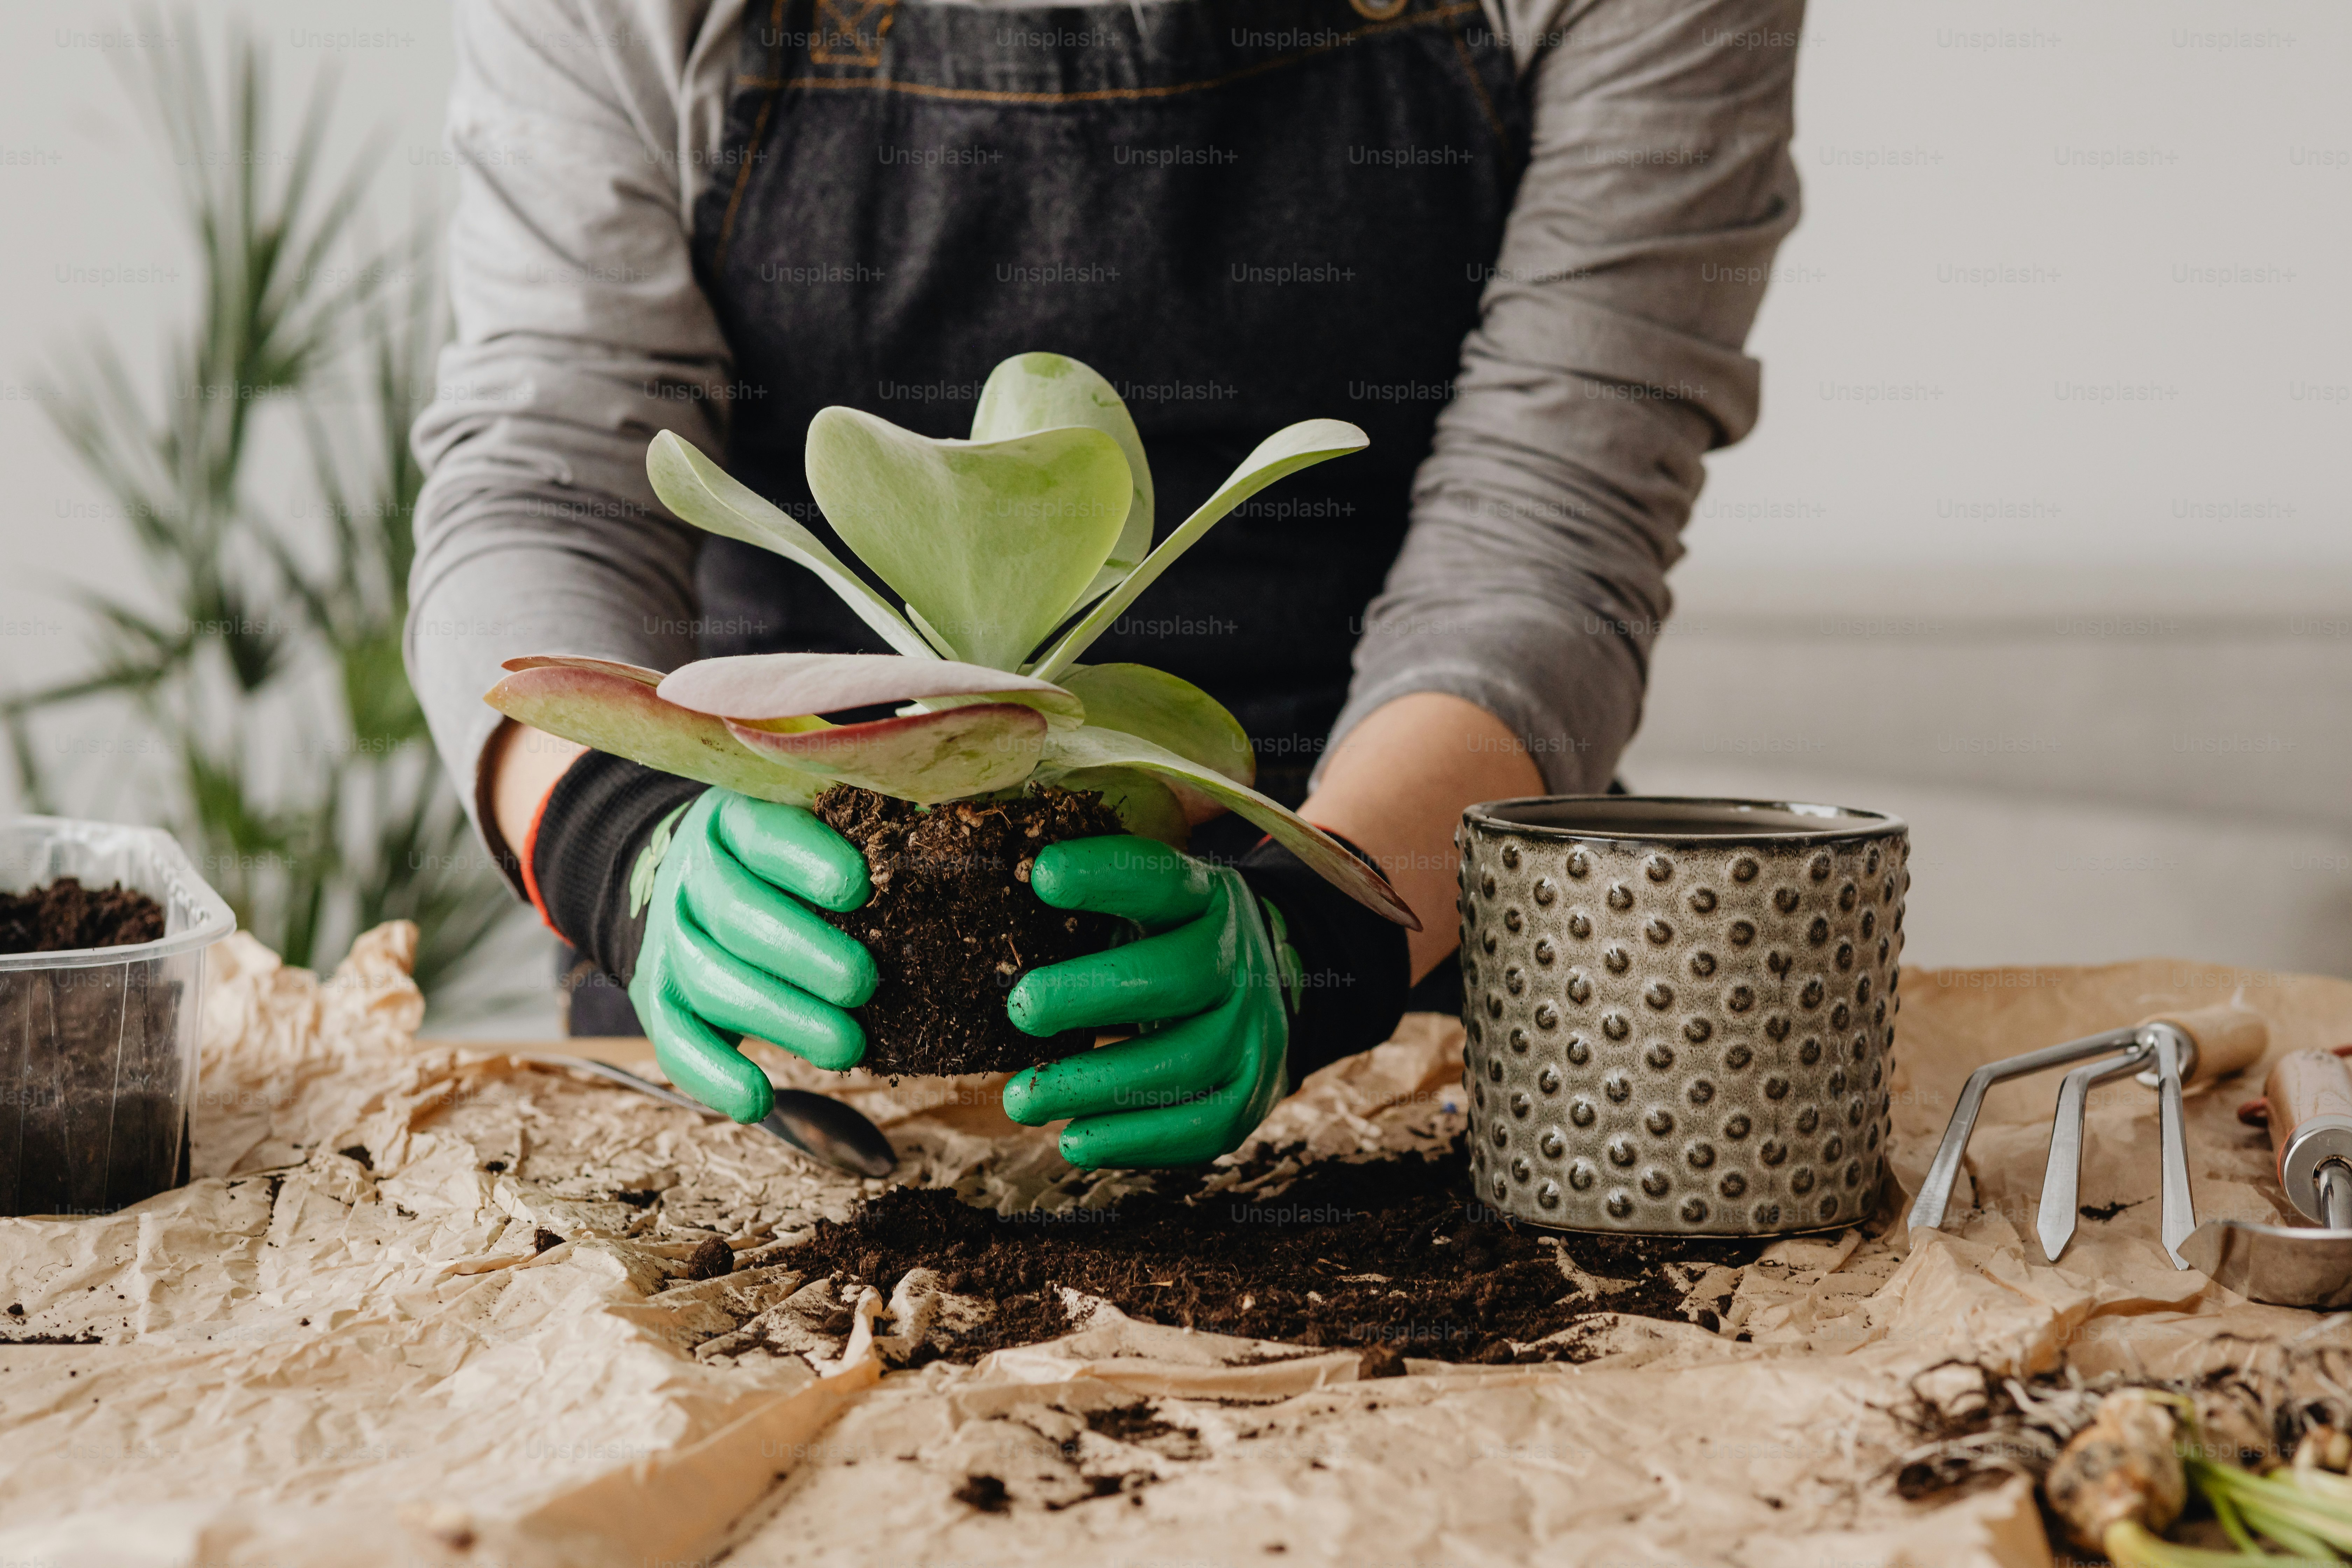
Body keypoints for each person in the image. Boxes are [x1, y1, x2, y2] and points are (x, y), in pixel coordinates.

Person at [405, 0, 1804, 1167]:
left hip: (1414, 967)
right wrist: (624, 846)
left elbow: (1552, 524)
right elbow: (548, 478)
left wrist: (1330, 928)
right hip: (775, 967)